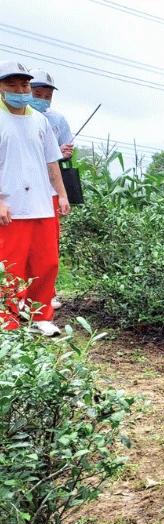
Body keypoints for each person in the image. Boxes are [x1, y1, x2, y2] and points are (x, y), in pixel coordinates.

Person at [0, 60, 69, 336]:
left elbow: (52, 162)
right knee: (10, 266)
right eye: (12, 84)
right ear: (1, 88)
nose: (20, 89)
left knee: (47, 261)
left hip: (42, 203)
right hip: (11, 205)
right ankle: (9, 318)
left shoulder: (40, 121)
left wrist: (62, 195)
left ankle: (41, 315)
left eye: (24, 84)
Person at [30, 69, 73, 312]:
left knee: (48, 246)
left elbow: (61, 153)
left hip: (49, 191)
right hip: (21, 191)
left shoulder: (56, 120)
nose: (42, 99)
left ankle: (47, 294)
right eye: (38, 93)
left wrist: (65, 153)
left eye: (47, 95)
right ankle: (17, 295)